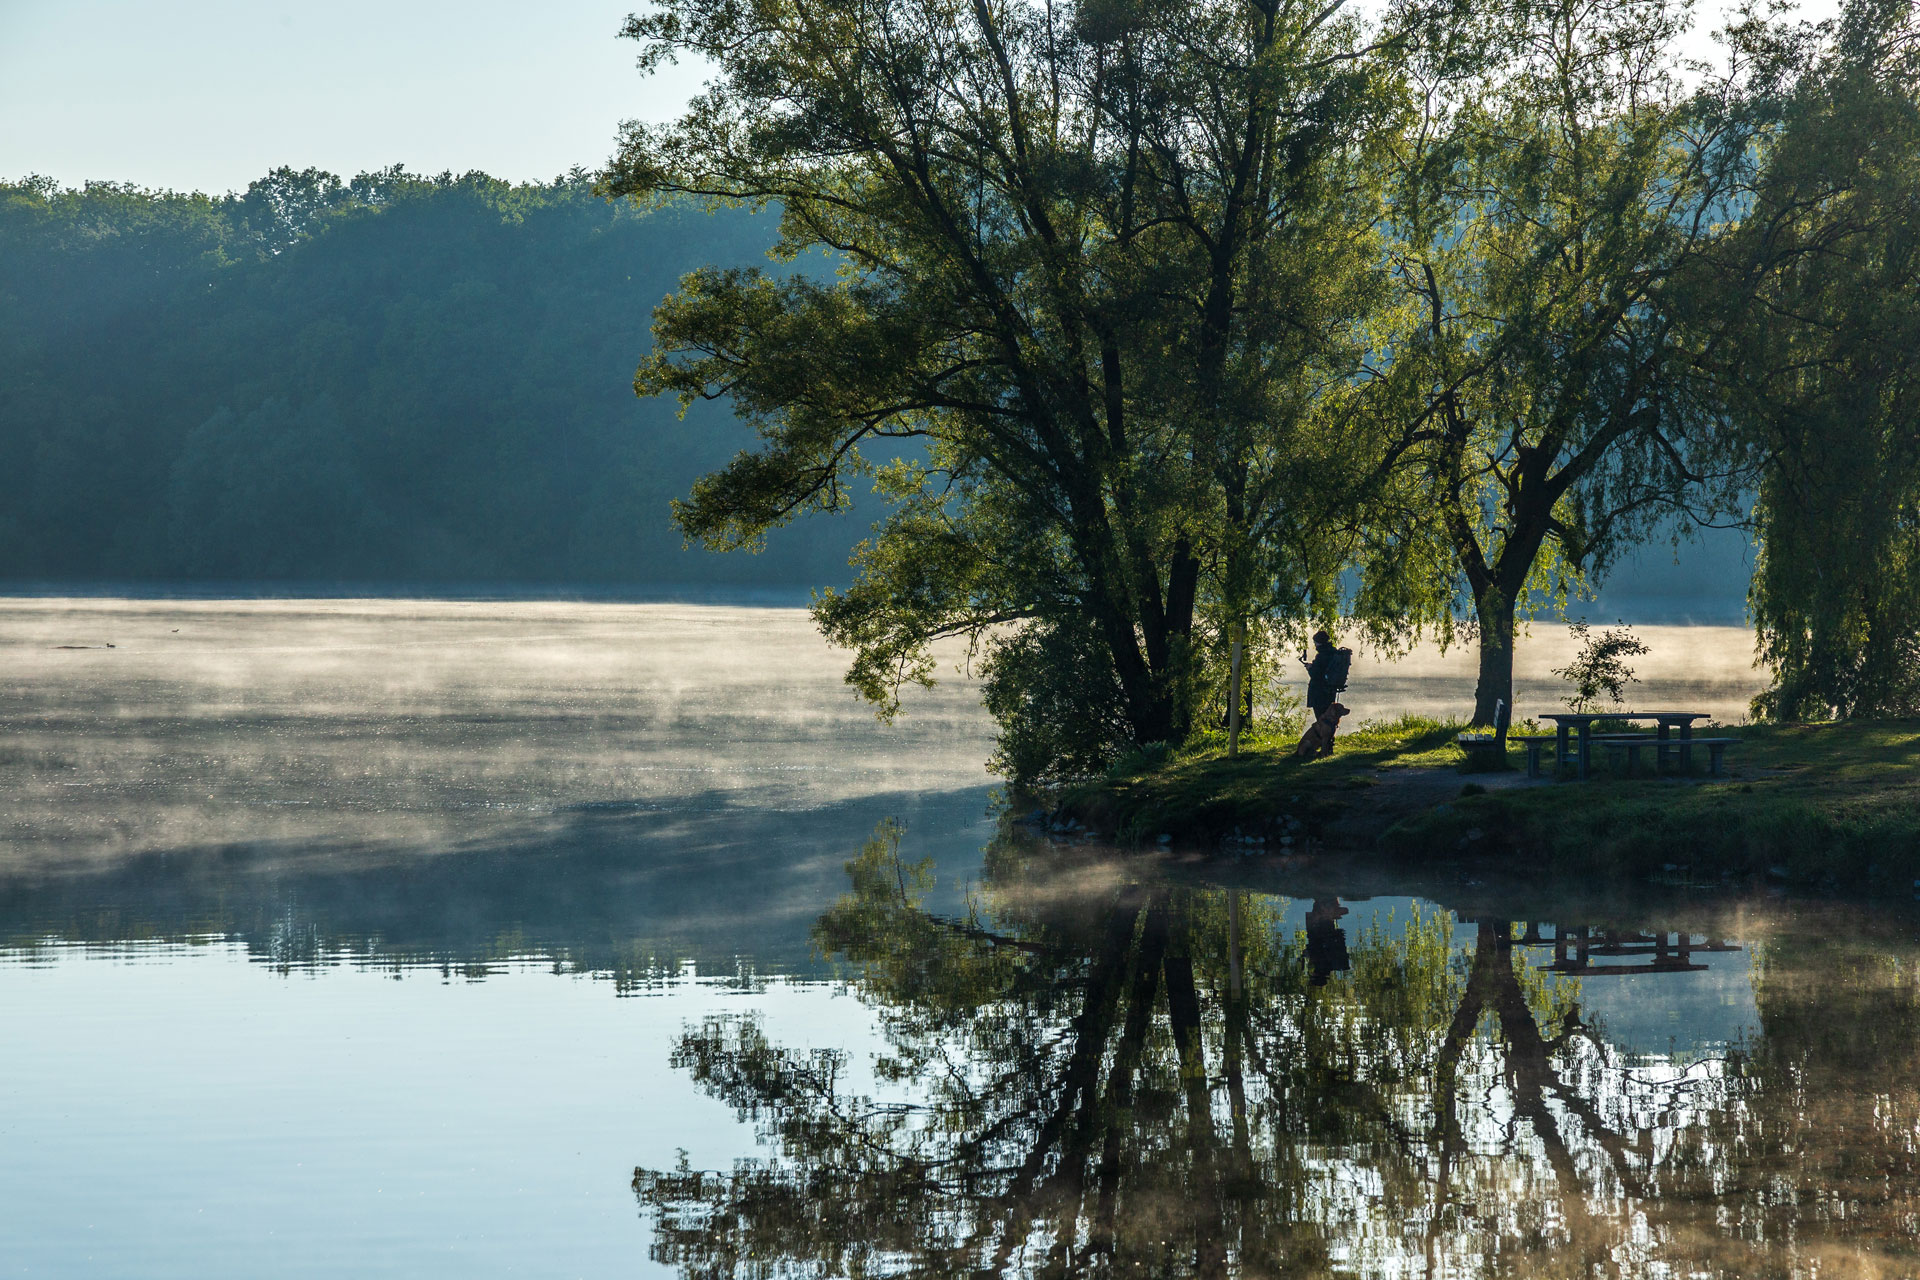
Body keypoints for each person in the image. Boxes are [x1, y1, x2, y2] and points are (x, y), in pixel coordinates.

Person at [1299, 631, 1351, 719]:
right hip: (1330, 690)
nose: (1315, 644)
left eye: (1315, 642)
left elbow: (1316, 675)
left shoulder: (1322, 655)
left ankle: (1324, 733)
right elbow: (1325, 670)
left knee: (1321, 720)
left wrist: (1310, 668)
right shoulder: (1334, 652)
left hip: (1320, 692)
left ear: (1318, 642)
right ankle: (1329, 732)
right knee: (1329, 717)